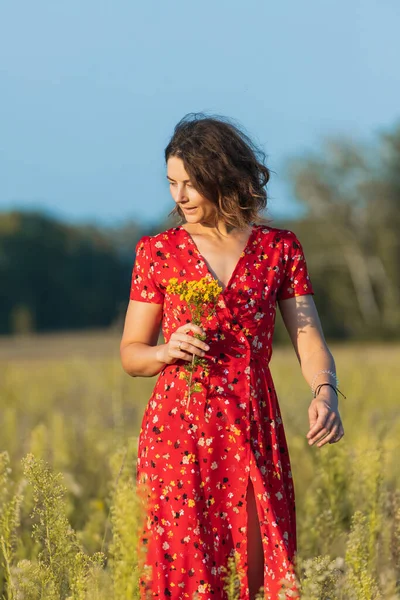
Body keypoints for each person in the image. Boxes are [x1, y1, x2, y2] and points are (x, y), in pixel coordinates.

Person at [120, 113, 345, 600]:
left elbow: (308, 338)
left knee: (253, 570)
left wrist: (325, 392)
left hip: (251, 419)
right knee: (182, 571)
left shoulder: (279, 249)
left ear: (223, 177)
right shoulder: (157, 252)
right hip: (176, 428)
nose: (178, 197)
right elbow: (131, 354)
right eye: (171, 184)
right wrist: (164, 349)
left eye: (190, 184)